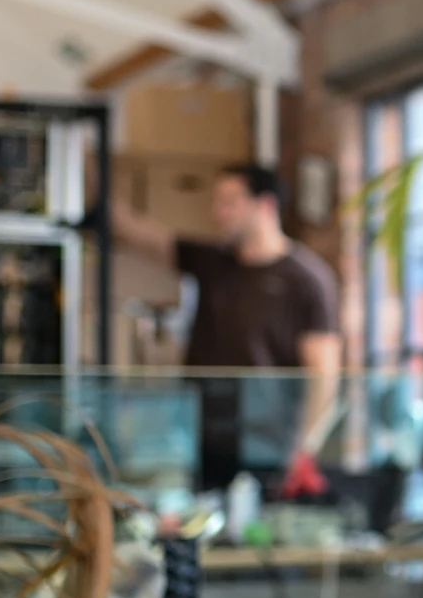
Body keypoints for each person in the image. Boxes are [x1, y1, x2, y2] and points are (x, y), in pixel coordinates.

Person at [113, 162, 340, 494]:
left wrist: (304, 448)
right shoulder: (213, 262)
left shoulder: (306, 279)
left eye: (230, 202)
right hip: (203, 436)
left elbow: (324, 374)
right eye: (217, 201)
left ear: (264, 205)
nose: (218, 212)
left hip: (268, 445)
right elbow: (137, 233)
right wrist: (89, 168)